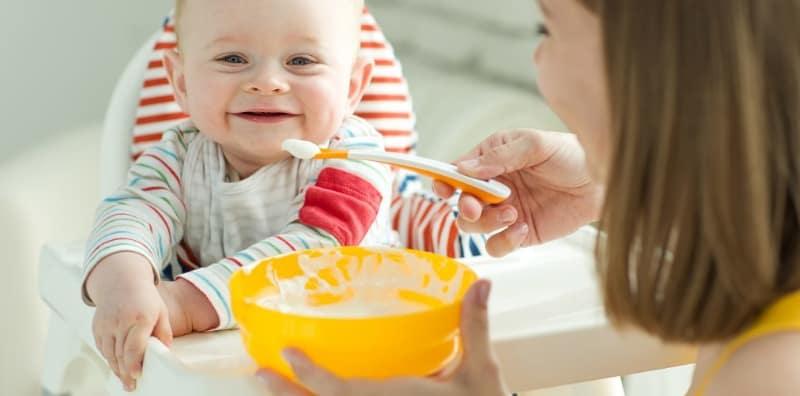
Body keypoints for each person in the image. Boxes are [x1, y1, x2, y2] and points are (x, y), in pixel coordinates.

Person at [258, 0, 800, 395]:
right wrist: (612, 186)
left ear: (655, 69)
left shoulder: (772, 370)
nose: (539, 62)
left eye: (548, 26)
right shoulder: (757, 289)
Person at [80, 0, 398, 391]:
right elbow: (132, 210)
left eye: (300, 61)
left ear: (351, 87)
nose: (267, 82)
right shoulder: (179, 156)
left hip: (349, 362)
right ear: (181, 83)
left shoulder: (357, 160)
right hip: (218, 363)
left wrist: (183, 305)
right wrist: (121, 282)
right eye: (232, 58)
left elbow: (316, 257)